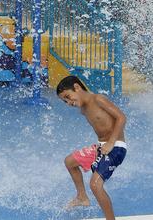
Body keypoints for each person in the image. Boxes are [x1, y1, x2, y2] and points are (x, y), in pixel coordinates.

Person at [56, 75, 127, 220]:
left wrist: (111, 142)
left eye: (68, 97)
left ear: (77, 87)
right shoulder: (83, 109)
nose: (69, 102)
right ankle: (82, 197)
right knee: (69, 162)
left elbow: (121, 117)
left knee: (95, 185)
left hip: (116, 147)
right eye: (65, 101)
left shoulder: (98, 99)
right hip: (101, 147)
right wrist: (102, 146)